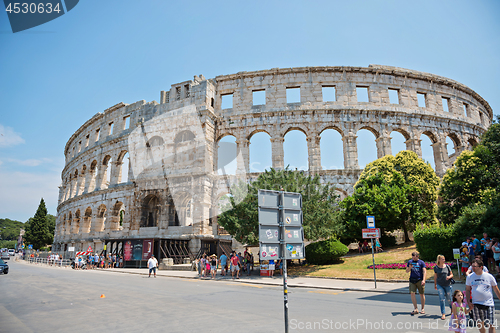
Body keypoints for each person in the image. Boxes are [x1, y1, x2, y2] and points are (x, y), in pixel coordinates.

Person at [466, 259, 500, 333]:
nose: (473, 268)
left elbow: (496, 289)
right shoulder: (470, 277)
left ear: (481, 267)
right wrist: (468, 302)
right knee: (480, 324)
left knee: (491, 324)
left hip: (488, 303)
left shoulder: (489, 276)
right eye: (472, 266)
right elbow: (468, 290)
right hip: (476, 304)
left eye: (475, 266)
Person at [434, 255, 454, 320]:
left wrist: (449, 277)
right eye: (442, 259)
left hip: (447, 284)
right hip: (440, 284)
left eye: (444, 259)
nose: (444, 260)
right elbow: (435, 276)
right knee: (442, 299)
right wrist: (435, 284)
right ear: (439, 260)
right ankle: (443, 313)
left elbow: (451, 274)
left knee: (449, 298)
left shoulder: (447, 266)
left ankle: (452, 309)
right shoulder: (436, 267)